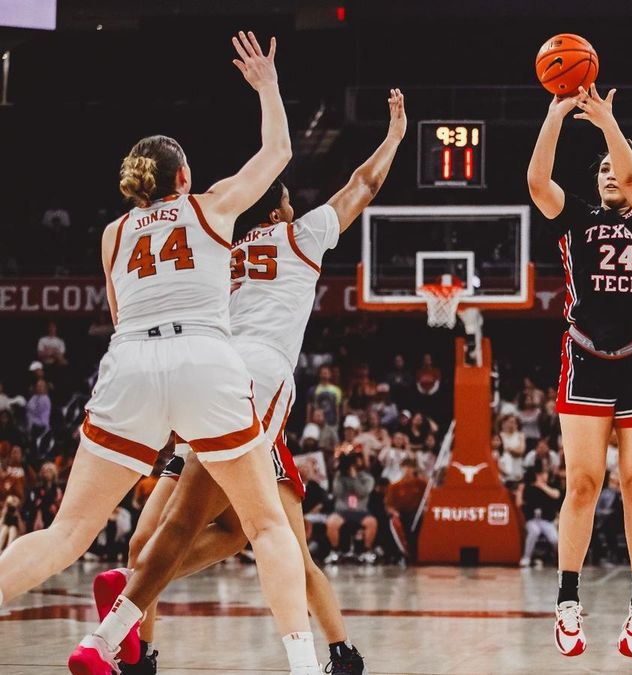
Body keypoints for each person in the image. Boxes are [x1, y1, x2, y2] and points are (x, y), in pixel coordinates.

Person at [0, 33, 318, 675]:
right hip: (204, 357)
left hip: (130, 365)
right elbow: (278, 151)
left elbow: (121, 318)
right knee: (266, 528)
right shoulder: (210, 205)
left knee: (65, 536)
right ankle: (306, 668)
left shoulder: (112, 235)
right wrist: (268, 87)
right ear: (183, 177)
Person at [85, 86, 407, 674]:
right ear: (280, 210)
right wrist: (394, 136)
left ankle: (135, 643)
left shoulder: (215, 244)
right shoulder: (298, 236)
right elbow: (364, 185)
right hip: (254, 385)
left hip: (197, 384)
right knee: (264, 535)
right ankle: (124, 625)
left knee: (190, 533)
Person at [529, 83, 632, 658]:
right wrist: (555, 115)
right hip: (586, 354)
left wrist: (610, 123)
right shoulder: (576, 217)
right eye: (605, 169)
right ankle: (568, 601)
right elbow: (539, 182)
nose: (614, 174)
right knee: (583, 484)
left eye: (623, 167)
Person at [517, 463, 563, 567]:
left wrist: (542, 486)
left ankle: (559, 559)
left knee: (554, 538)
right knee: (534, 531)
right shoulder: (529, 487)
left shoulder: (551, 485)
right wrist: (520, 490)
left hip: (547, 521)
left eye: (544, 474)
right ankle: (526, 557)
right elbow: (519, 503)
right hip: (532, 520)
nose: (543, 476)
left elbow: (556, 495)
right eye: (541, 474)